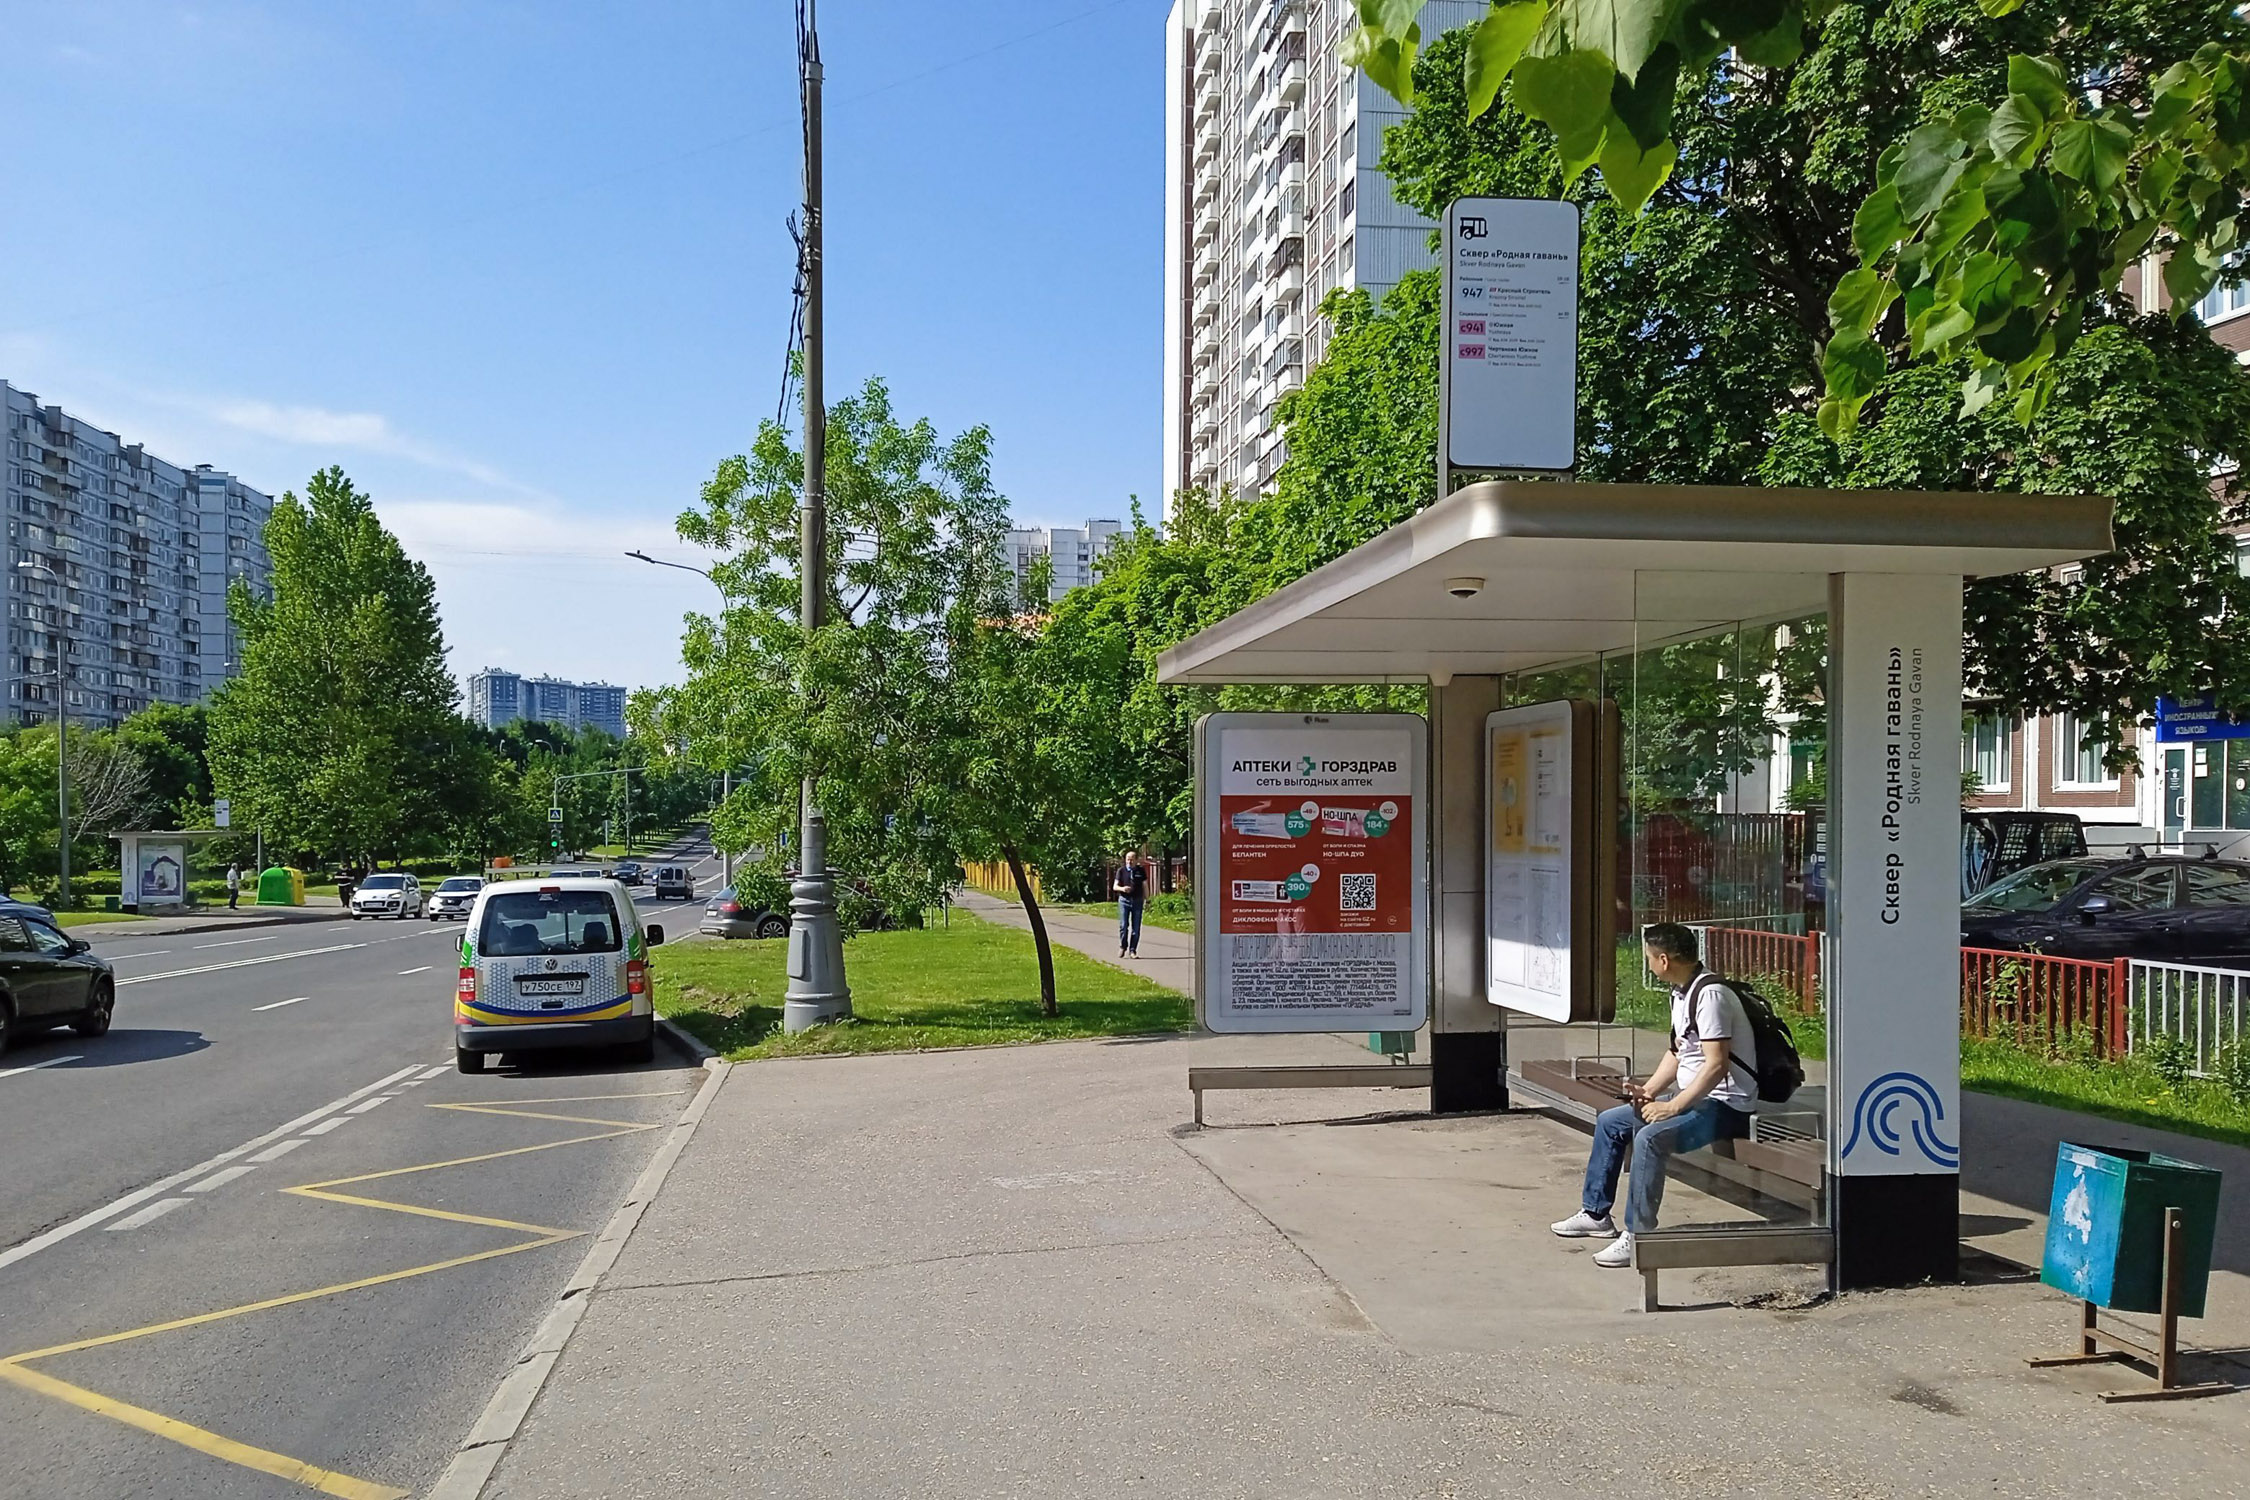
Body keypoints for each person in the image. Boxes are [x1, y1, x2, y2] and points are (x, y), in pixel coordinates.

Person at [1551, 922, 1758, 1268]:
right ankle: (1596, 1214)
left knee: (1649, 1139)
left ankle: (1639, 1236)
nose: (1647, 963)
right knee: (1611, 1122)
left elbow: (1716, 1065)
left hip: (1726, 1106)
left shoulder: (1710, 996)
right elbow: (1678, 1052)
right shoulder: (1682, 993)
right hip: (1694, 1099)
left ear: (1664, 960)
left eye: (1648, 957)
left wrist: (1672, 1106)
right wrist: (1648, 1091)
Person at [1111, 851, 1149, 958]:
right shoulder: (1121, 871)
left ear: (1136, 860)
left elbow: (1145, 885)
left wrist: (1147, 900)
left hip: (1137, 901)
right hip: (1124, 900)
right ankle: (1123, 946)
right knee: (1123, 925)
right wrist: (1122, 888)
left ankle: (1133, 950)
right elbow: (1115, 886)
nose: (1129, 861)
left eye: (1132, 859)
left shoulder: (1140, 871)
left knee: (1136, 928)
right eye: (1128, 859)